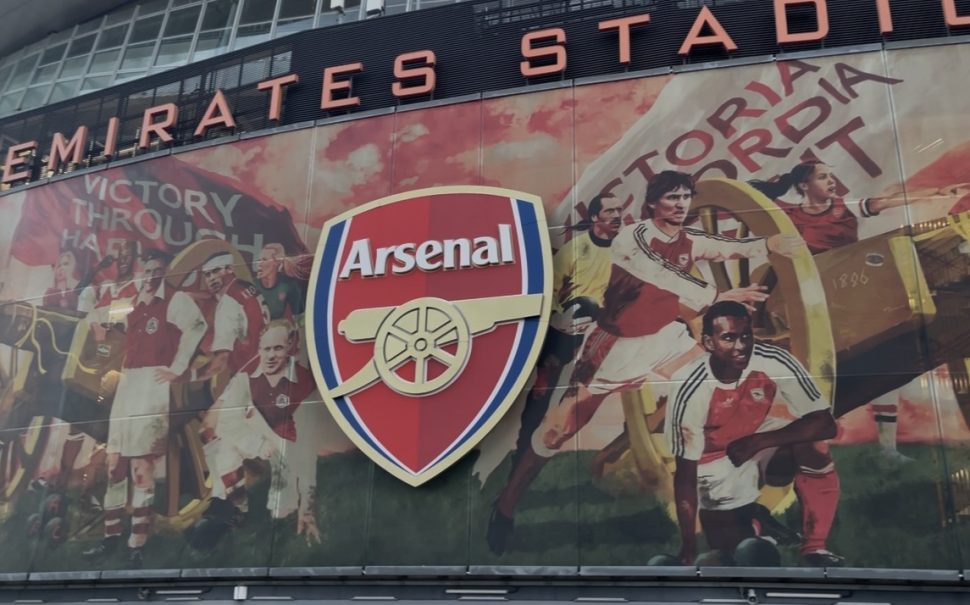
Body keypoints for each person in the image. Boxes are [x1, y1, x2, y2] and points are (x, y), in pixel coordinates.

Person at [487, 171, 801, 553]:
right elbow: (660, 273)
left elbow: (722, 246)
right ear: (652, 203)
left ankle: (744, 509)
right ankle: (505, 508)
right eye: (672, 197)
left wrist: (770, 243)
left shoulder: (689, 239)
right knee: (555, 432)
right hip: (614, 347)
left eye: (686, 196)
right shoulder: (631, 238)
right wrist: (717, 294)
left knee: (723, 398)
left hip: (666, 341)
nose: (682, 203)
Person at [749, 161, 954, 462]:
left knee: (888, 368)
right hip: (813, 304)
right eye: (823, 177)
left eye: (831, 175)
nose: (831, 181)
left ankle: (886, 450)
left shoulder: (846, 207)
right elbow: (753, 210)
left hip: (853, 295)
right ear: (804, 185)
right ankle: (786, 447)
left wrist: (936, 192)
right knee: (835, 382)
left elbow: (886, 201)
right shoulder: (788, 218)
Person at [487, 194, 622, 554]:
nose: (617, 217)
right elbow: (552, 296)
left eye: (620, 212)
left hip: (598, 338)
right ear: (595, 218)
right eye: (611, 211)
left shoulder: (624, 253)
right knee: (542, 395)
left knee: (564, 415)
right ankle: (518, 460)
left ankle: (514, 490)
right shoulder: (576, 250)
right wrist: (570, 316)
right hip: (564, 332)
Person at [666, 301, 842, 567]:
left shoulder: (772, 360)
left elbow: (826, 424)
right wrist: (688, 549)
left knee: (814, 444)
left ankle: (814, 548)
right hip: (713, 460)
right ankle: (755, 521)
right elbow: (685, 476)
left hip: (755, 438)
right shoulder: (690, 386)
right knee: (735, 553)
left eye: (745, 336)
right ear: (709, 343)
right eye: (728, 338)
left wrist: (760, 441)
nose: (741, 346)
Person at [82, 249, 207, 567]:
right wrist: (92, 316)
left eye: (157, 270)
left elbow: (197, 327)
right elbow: (102, 327)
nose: (151, 275)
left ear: (163, 272)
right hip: (128, 384)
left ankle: (137, 542)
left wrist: (178, 367)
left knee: (142, 469)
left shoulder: (175, 301)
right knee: (115, 467)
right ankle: (111, 538)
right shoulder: (134, 302)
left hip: (153, 385)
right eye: (147, 269)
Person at [190, 319, 324, 548]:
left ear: (290, 346)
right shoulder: (247, 375)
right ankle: (234, 507)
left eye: (278, 348)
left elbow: (307, 447)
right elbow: (227, 419)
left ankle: (279, 497)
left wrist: (307, 508)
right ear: (259, 349)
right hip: (256, 431)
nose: (271, 356)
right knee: (222, 448)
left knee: (281, 511)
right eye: (266, 349)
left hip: (285, 439)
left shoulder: (304, 382)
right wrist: (258, 444)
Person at [194, 252, 270, 382]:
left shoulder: (227, 304)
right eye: (207, 275)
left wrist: (189, 377)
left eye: (216, 271)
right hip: (266, 365)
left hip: (247, 374)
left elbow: (220, 362)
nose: (211, 278)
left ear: (230, 269)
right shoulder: (245, 286)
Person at [254, 243, 304, 320]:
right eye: (258, 260)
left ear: (277, 263)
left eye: (264, 260)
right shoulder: (252, 285)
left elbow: (300, 320)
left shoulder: (289, 285)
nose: (259, 264)